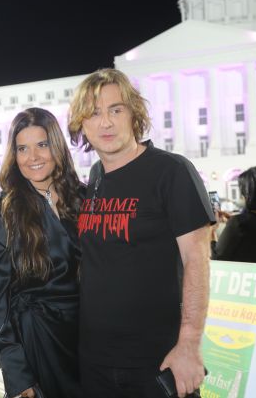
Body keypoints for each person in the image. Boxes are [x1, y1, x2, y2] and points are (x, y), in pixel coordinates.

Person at [68, 68, 214, 397]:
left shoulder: (172, 171)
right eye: (93, 113)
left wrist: (189, 344)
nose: (105, 123)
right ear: (82, 125)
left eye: (116, 110)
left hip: (157, 360)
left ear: (134, 113)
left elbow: (197, 261)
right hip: (96, 362)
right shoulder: (95, 177)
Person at [0, 107, 83, 398]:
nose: (32, 157)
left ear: (56, 146)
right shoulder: (4, 208)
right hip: (37, 341)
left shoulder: (81, 198)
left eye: (42, 145)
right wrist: (17, 372)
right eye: (22, 148)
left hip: (87, 338)